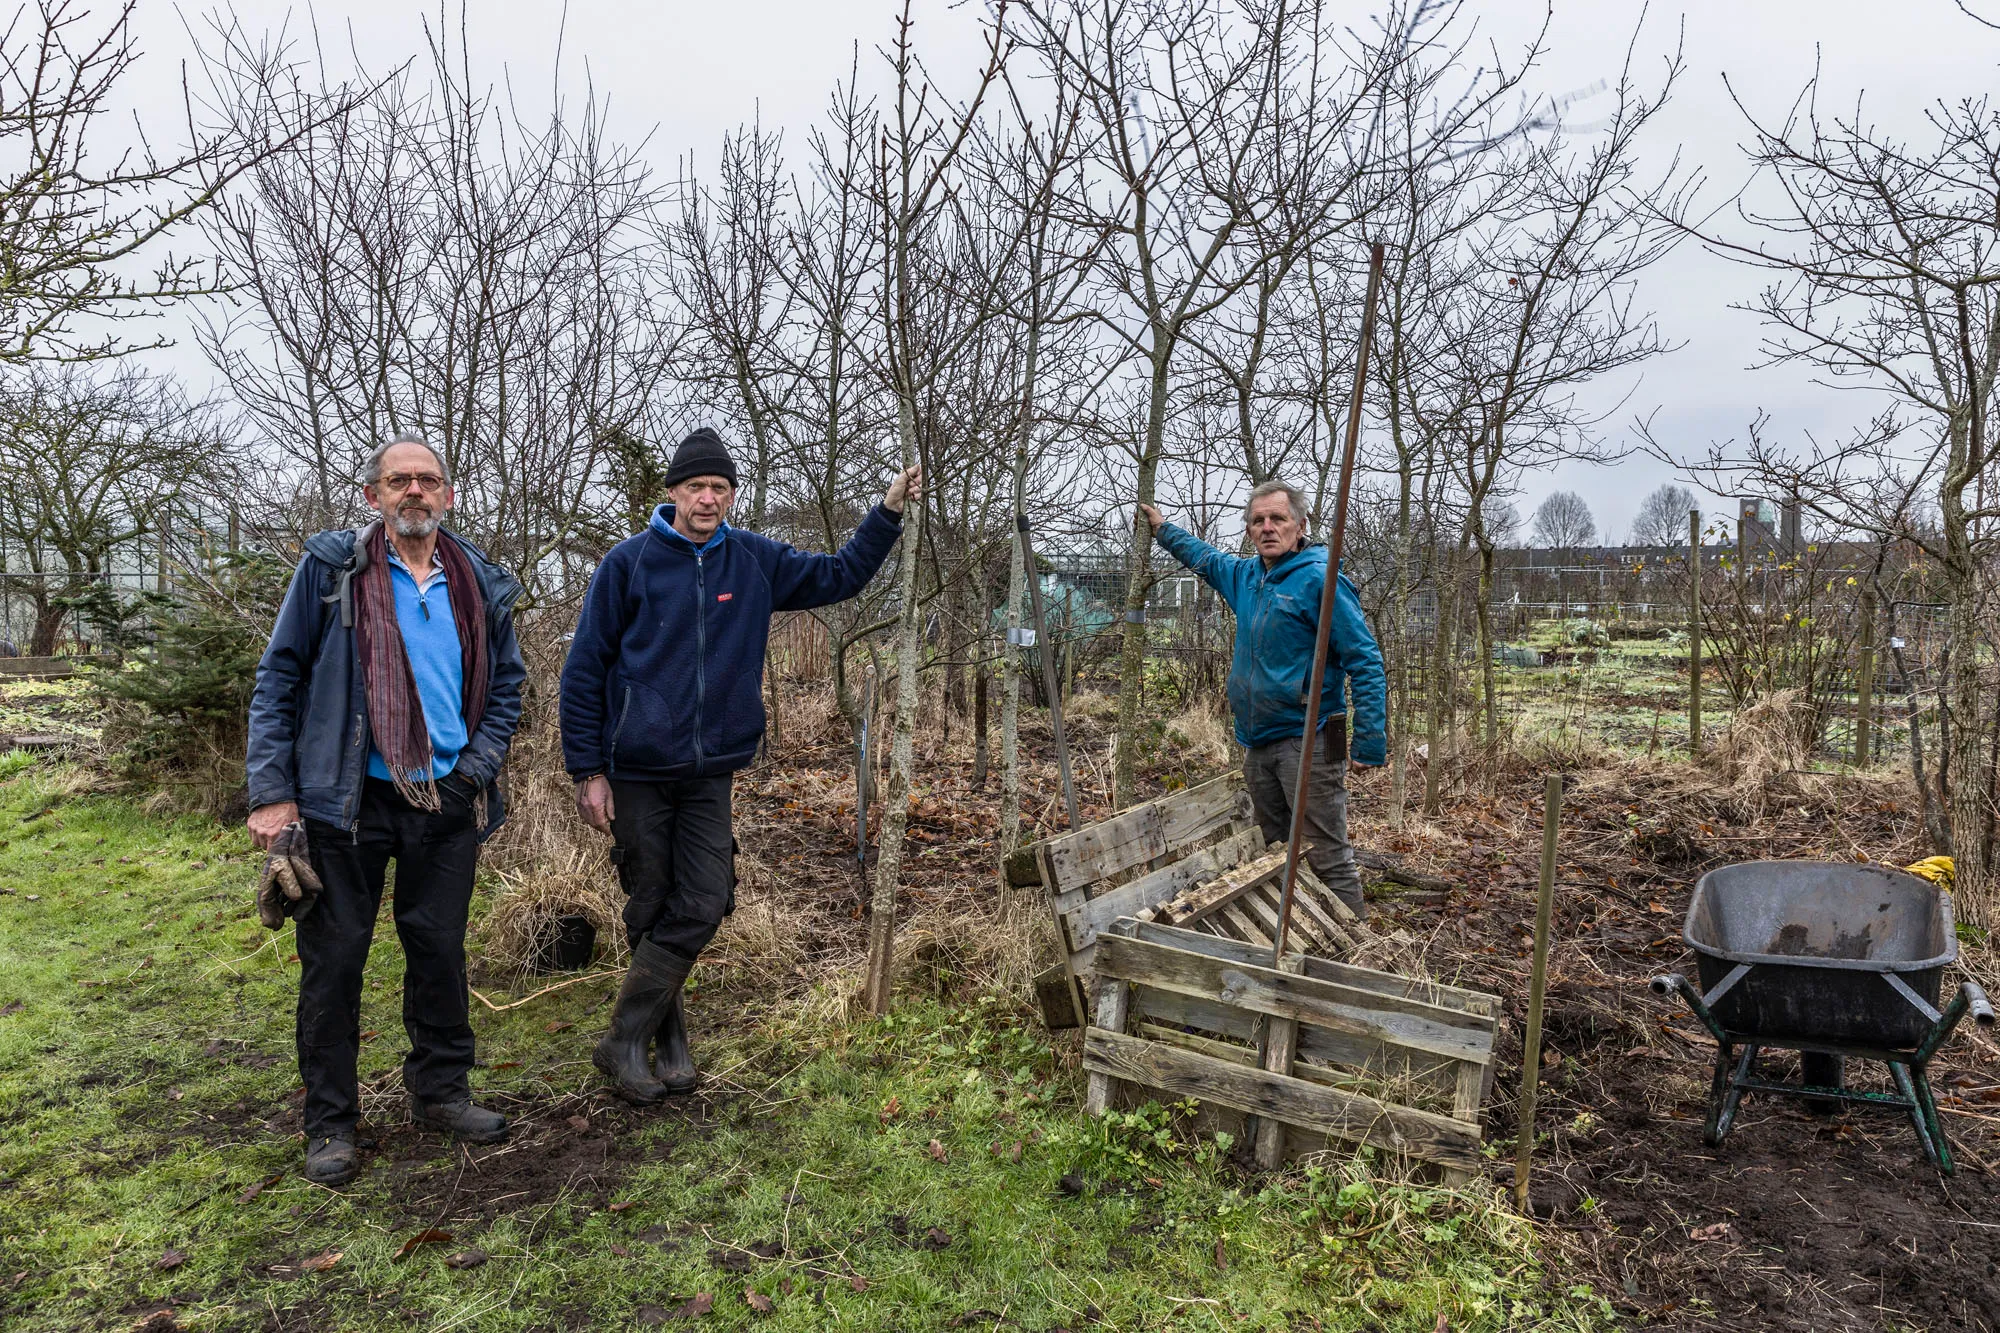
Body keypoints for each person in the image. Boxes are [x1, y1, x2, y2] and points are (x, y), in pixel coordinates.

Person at [561, 427, 920, 1102]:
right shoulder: (628, 564)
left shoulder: (753, 560)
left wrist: (889, 511)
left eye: (720, 488)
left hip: (710, 768)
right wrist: (588, 768)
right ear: (671, 493)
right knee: (649, 898)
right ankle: (665, 1041)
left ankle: (621, 1039)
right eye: (696, 487)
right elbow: (584, 669)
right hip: (635, 766)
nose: (707, 499)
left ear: (731, 496)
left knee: (702, 898)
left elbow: (839, 574)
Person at [246, 434, 526, 1187]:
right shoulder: (335, 570)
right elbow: (279, 677)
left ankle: (440, 1093)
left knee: (438, 949)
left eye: (427, 480)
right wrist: (273, 792)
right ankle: (331, 1121)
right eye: (398, 480)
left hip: (447, 799)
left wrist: (473, 772)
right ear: (373, 496)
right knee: (335, 961)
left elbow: (506, 690)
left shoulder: (480, 583)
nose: (414, 491)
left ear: (449, 494)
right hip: (347, 798)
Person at [1140, 480, 1386, 918]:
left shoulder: (1322, 580)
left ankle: (1355, 951)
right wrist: (1162, 529)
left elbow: (1364, 660)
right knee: (1273, 847)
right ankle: (1297, 933)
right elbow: (1204, 558)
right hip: (1257, 740)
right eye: (1258, 520)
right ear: (1250, 530)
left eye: (1278, 518)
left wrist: (1368, 740)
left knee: (1325, 851)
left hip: (1311, 736)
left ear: (1301, 524)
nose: (1268, 527)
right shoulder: (1246, 578)